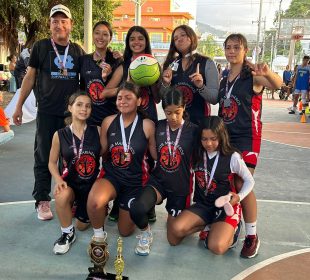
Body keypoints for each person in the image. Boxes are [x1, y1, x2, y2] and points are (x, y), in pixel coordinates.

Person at [12, 4, 85, 220]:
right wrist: (18, 106)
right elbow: (30, 77)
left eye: (63, 21)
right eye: (55, 21)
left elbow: (88, 78)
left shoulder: (77, 51)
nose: (59, 25)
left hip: (69, 117)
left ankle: (69, 199)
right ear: (50, 24)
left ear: (70, 25)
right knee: (44, 156)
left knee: (72, 158)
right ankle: (42, 200)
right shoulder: (41, 47)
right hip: (46, 113)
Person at [217, 33, 282, 258]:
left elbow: (278, 84)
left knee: (242, 181)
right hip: (226, 138)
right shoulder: (225, 77)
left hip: (247, 137)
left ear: (245, 50)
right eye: (228, 47)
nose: (232, 51)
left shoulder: (252, 76)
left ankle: (252, 235)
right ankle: (234, 224)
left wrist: (268, 73)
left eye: (237, 47)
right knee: (228, 183)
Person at [86, 81, 156, 256]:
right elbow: (102, 151)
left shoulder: (147, 125)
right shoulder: (108, 122)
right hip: (112, 177)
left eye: (128, 97)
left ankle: (138, 218)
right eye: (119, 98)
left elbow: (155, 156)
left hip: (134, 182)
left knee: (124, 231)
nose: (122, 101)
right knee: (94, 202)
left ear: (139, 101)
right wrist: (82, 145)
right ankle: (99, 238)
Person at [168, 116, 254, 255]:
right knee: (175, 231)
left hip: (225, 207)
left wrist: (239, 197)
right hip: (203, 204)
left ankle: (234, 228)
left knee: (217, 247)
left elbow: (249, 181)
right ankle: (209, 225)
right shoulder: (196, 153)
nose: (208, 143)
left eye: (213, 139)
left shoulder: (232, 157)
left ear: (221, 136)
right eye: (204, 139)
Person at [129, 87, 197, 256]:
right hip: (158, 182)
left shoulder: (194, 130)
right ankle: (146, 233)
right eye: (168, 113)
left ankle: (200, 221)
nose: (173, 117)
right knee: (136, 209)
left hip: (180, 188)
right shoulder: (157, 127)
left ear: (184, 108)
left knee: (173, 239)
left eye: (177, 112)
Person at [103, 26, 161, 222]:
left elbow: (159, 98)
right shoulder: (124, 64)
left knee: (148, 160)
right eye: (132, 39)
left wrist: (152, 80)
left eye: (140, 39)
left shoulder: (153, 64)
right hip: (126, 118)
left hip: (147, 116)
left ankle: (147, 203)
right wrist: (127, 85)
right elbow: (106, 92)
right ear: (128, 43)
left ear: (146, 41)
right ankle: (120, 203)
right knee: (121, 158)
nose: (136, 42)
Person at [48, 91, 100, 254]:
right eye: (79, 104)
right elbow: (51, 162)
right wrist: (58, 179)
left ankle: (85, 208)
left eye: (88, 106)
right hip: (70, 184)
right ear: (70, 108)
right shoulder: (60, 134)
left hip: (91, 188)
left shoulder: (97, 131)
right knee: (61, 195)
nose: (84, 109)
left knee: (83, 226)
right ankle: (67, 233)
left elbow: (106, 157)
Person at [161, 25, 219, 125]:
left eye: (183, 35)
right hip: (176, 125)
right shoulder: (171, 65)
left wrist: (201, 86)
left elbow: (214, 99)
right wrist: (166, 84)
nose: (179, 39)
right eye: (175, 38)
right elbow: (163, 98)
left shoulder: (207, 63)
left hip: (200, 124)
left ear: (191, 37)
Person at [79, 20, 123, 127]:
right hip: (90, 119)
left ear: (110, 38)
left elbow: (121, 89)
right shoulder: (84, 60)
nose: (100, 37)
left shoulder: (117, 60)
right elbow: (82, 88)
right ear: (93, 35)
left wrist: (106, 78)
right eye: (97, 33)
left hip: (111, 119)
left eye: (105, 34)